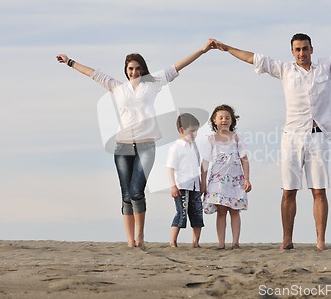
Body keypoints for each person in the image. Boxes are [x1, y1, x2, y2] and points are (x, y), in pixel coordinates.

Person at [211, 21, 331, 251]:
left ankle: (320, 241)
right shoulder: (284, 70)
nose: (301, 53)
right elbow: (254, 58)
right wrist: (227, 48)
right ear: (292, 52)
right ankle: (287, 240)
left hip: (318, 135)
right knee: (289, 190)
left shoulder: (325, 67)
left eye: (305, 48)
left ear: (312, 49)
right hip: (291, 136)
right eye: (297, 49)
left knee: (319, 190)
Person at [56, 40, 215, 249]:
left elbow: (177, 66)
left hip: (146, 145)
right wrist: (70, 62)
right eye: (130, 69)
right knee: (126, 194)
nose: (134, 72)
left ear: (143, 69)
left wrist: (202, 51)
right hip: (122, 146)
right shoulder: (117, 87)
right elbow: (93, 73)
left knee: (137, 191)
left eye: (138, 68)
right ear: (126, 70)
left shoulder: (153, 83)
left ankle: (140, 235)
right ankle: (130, 240)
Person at [201, 104, 252, 249]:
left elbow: (244, 159)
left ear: (232, 120)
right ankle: (221, 243)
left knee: (235, 211)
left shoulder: (236, 137)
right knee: (221, 211)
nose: (224, 120)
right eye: (221, 117)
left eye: (227, 117)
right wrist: (203, 183)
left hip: (236, 180)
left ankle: (235, 242)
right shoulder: (210, 139)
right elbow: (204, 163)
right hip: (218, 181)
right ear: (214, 120)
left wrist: (247, 179)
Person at [167, 113, 204, 248]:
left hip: (195, 187)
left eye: (196, 131)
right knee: (181, 213)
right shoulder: (175, 148)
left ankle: (196, 242)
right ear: (182, 130)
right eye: (191, 131)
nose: (194, 134)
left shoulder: (195, 147)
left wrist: (200, 183)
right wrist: (173, 186)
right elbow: (170, 168)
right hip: (181, 186)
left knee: (197, 214)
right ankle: (173, 241)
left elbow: (197, 167)